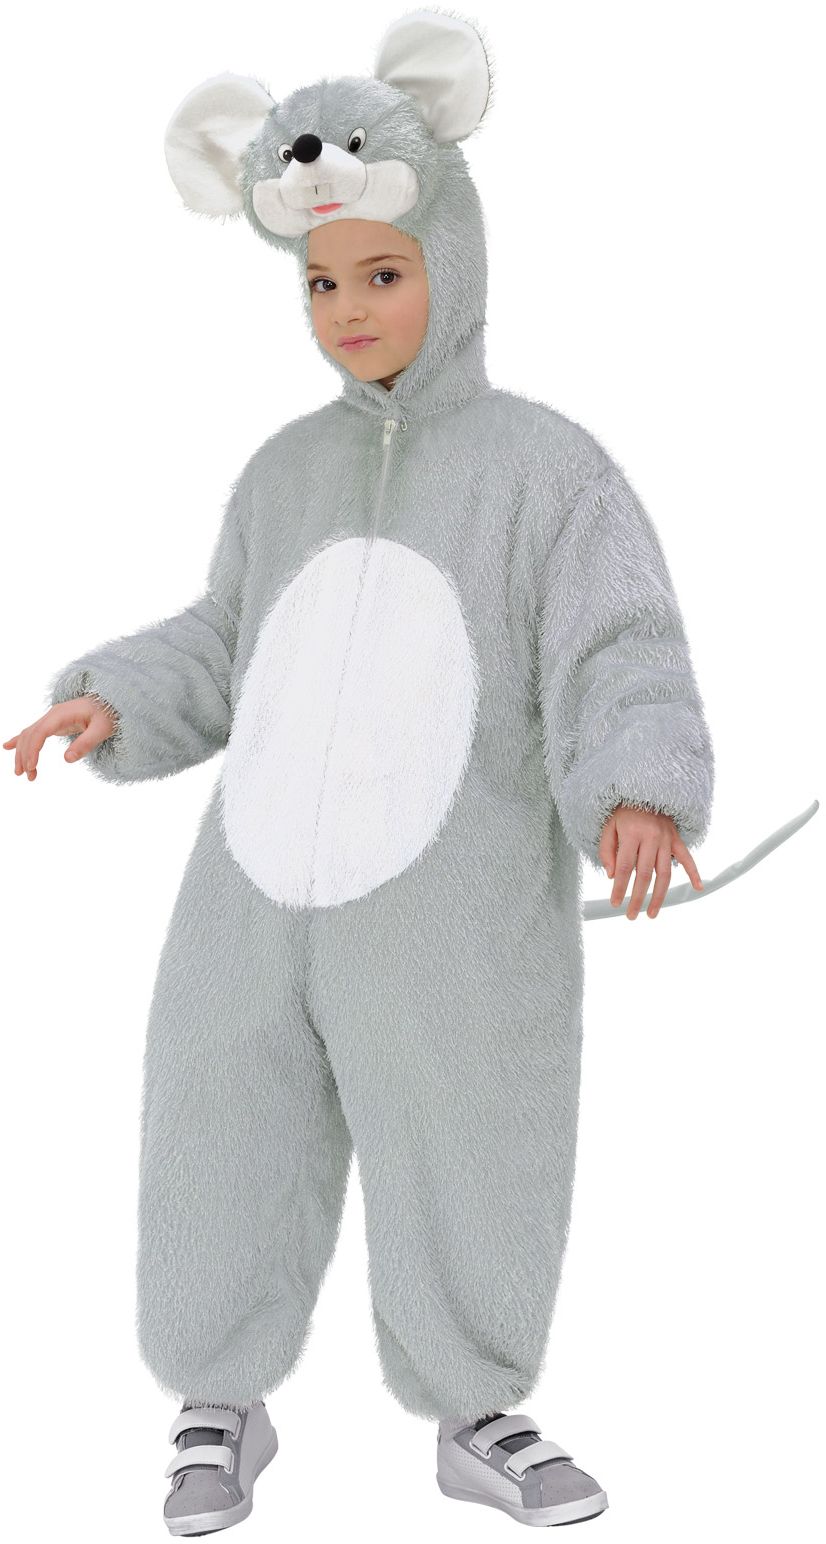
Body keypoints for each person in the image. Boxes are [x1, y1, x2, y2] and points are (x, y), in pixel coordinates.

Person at [4, 11, 715, 1535]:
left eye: (381, 275)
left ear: (449, 258)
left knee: (471, 1136)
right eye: (320, 283)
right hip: (249, 901)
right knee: (217, 1121)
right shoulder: (284, 474)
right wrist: (113, 698)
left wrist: (636, 787)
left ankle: (476, 1408)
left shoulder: (544, 472)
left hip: (452, 911)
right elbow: (224, 638)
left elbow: (616, 644)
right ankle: (218, 1397)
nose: (348, 310)